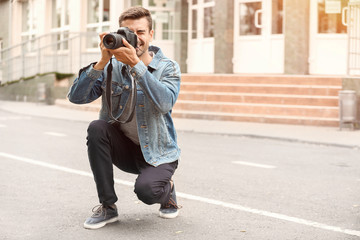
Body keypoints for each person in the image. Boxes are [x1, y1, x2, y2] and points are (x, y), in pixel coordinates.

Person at [68, 6, 181, 230]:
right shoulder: (111, 66)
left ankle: (166, 190)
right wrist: (101, 62)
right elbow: (76, 98)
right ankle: (108, 207)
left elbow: (165, 103)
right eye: (127, 32)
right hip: (124, 150)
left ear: (151, 34)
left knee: (148, 192)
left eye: (140, 32)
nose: (134, 38)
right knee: (97, 127)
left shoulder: (168, 68)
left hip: (158, 153)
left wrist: (136, 66)